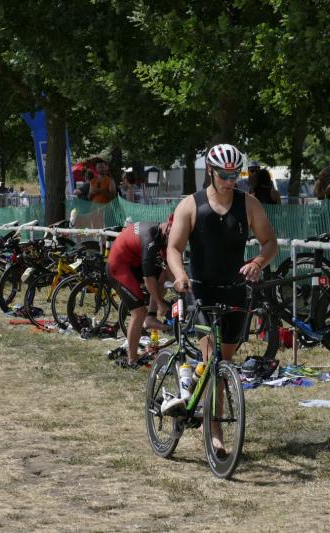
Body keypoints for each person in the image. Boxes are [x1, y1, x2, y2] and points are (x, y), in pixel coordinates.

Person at [166, 143, 277, 449]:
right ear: (210, 172)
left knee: (224, 362)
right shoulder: (191, 205)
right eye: (224, 175)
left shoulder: (249, 204)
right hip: (200, 290)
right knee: (212, 357)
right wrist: (180, 275)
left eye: (235, 175)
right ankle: (214, 429)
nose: (231, 181)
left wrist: (257, 263)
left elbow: (270, 242)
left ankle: (195, 392)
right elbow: (174, 248)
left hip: (235, 291)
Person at [107, 216, 174, 368]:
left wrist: (186, 288)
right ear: (169, 228)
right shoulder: (151, 237)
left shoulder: (164, 236)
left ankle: (151, 317)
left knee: (162, 274)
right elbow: (148, 278)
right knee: (138, 312)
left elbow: (170, 270)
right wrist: (160, 303)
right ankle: (131, 360)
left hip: (131, 264)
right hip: (118, 267)